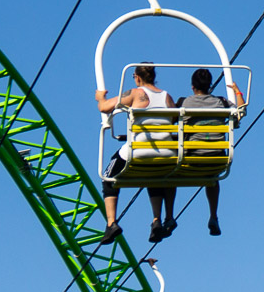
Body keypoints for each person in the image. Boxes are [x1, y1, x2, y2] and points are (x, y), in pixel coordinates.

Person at [95, 63, 179, 245]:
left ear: (138, 77)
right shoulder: (167, 97)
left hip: (138, 151)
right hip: (166, 153)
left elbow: (105, 107)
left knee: (108, 176)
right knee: (153, 173)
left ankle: (111, 223)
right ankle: (157, 219)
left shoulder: (136, 93)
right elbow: (173, 120)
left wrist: (100, 97)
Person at [175, 68, 247, 236]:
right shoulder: (222, 103)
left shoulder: (185, 103)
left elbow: (170, 121)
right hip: (217, 159)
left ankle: (168, 216)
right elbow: (241, 111)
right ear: (209, 86)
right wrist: (237, 91)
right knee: (212, 177)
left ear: (193, 86)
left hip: (192, 158)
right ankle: (213, 215)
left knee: (168, 172)